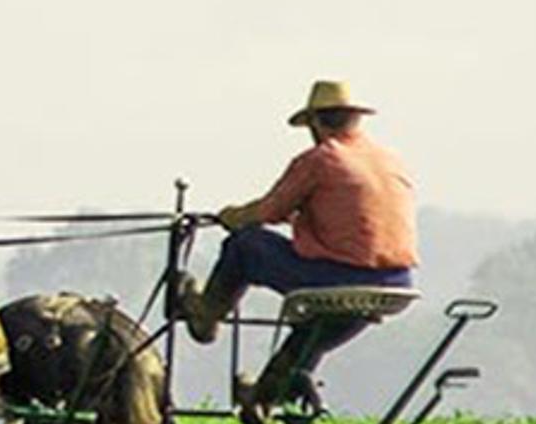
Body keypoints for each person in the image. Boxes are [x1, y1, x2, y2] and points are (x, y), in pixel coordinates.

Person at [175, 80, 417, 345]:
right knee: (321, 325)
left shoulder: (321, 159)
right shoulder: (391, 160)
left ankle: (207, 315)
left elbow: (269, 211)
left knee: (245, 244)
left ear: (315, 122)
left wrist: (232, 216)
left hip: (343, 278)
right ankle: (275, 383)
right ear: (355, 120)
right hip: (397, 279)